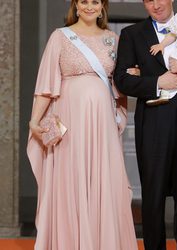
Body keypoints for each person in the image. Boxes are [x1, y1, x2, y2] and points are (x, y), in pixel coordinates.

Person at [27, 0, 139, 249]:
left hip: (102, 123)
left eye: (95, 2)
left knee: (104, 179)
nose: (90, 6)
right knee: (72, 177)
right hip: (70, 118)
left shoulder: (113, 39)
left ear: (102, 7)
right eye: (84, 1)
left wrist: (122, 109)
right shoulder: (60, 37)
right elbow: (46, 84)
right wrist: (34, 120)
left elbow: (118, 84)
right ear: (76, 6)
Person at [114, 0, 177, 249]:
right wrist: (156, 82)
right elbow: (121, 79)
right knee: (153, 194)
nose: (155, 4)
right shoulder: (132, 34)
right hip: (154, 120)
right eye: (148, 0)